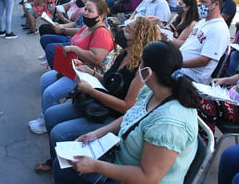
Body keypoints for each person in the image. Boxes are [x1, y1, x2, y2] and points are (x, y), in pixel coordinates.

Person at [52, 40, 199, 183]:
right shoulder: (152, 91)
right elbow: (132, 115)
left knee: (63, 169)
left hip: (135, 177)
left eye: (141, 63)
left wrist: (96, 166)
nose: (138, 67)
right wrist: (96, 134)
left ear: (147, 72)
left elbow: (148, 178)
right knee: (62, 165)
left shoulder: (170, 123)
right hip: (121, 159)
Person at [35, 18, 161, 172]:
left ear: (139, 36)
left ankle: (62, 167)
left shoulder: (140, 69)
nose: (120, 30)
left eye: (127, 30)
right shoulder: (124, 54)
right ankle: (58, 159)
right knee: (50, 115)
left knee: (58, 132)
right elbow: (110, 81)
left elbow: (127, 108)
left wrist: (91, 91)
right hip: (97, 103)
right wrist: (92, 73)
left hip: (111, 116)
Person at [29, 0, 114, 134]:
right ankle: (46, 116)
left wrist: (75, 50)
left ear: (101, 16)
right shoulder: (88, 27)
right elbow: (75, 32)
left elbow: (97, 59)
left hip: (85, 73)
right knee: (45, 79)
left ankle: (49, 122)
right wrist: (62, 29)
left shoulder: (101, 33)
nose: (85, 13)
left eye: (90, 11)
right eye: (85, 9)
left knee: (50, 93)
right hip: (73, 67)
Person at [180, 0, 230, 84]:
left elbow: (204, 60)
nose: (200, 5)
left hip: (192, 76)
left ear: (216, 4)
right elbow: (189, 44)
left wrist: (177, 64)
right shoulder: (202, 21)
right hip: (183, 69)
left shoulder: (218, 29)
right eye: (200, 1)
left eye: (204, 2)